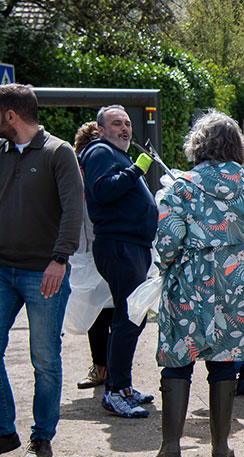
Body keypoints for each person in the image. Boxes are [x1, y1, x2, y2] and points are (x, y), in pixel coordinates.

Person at [0, 84, 84, 457]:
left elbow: (72, 210)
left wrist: (59, 260)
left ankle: (42, 437)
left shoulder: (58, 152)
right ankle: (2, 432)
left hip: (43, 272)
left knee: (44, 358)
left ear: (11, 116)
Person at [150, 111, 244, 457]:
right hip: (238, 286)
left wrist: (166, 269)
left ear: (199, 145)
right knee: (225, 359)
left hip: (191, 285)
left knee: (178, 358)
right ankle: (220, 446)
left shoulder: (182, 186)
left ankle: (170, 446)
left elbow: (167, 241)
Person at [79, 105, 158, 418]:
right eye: (116, 124)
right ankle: (115, 391)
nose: (125, 129)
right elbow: (102, 191)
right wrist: (136, 170)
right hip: (120, 246)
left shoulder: (116, 155)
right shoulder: (100, 152)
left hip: (132, 246)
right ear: (101, 130)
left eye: (127, 123)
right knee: (129, 318)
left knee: (131, 319)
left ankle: (121, 385)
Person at [70, 121, 116, 392]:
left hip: (107, 248)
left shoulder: (115, 169)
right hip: (84, 252)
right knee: (94, 313)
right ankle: (101, 367)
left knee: (112, 312)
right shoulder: (72, 174)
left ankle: (111, 368)